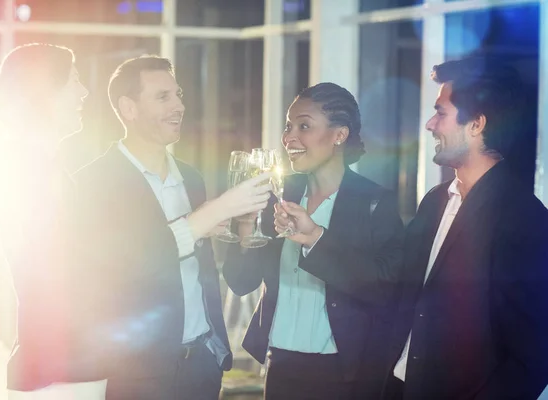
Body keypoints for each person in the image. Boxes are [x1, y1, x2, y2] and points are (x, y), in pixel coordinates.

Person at [73, 55, 271, 399]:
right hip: (136, 373)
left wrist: (243, 227)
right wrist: (208, 216)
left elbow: (211, 272)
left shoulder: (191, 178)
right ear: (128, 109)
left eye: (178, 95)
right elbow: (128, 269)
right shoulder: (92, 183)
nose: (179, 106)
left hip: (202, 368)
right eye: (163, 97)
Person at [222, 82, 405, 399]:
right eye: (288, 125)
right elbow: (240, 282)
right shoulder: (276, 193)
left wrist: (316, 239)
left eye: (304, 126)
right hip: (279, 366)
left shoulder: (375, 202)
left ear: (339, 135)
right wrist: (245, 225)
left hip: (344, 375)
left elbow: (384, 288)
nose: (289, 137)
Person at [383, 57, 548, 399]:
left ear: (476, 124)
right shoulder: (434, 201)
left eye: (441, 113)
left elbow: (534, 355)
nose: (430, 124)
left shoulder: (525, 218)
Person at [0, 43, 108, 398]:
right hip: (60, 368)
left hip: (57, 363)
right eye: (74, 80)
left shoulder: (40, 167)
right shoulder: (32, 173)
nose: (84, 91)